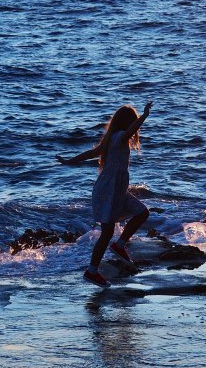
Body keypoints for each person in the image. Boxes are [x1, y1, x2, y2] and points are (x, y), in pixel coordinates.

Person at [57, 102, 152, 287]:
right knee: (107, 232)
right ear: (127, 123)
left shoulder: (112, 139)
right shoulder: (119, 138)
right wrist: (144, 116)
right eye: (132, 121)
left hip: (116, 190)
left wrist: (69, 161)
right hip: (108, 190)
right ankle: (92, 271)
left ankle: (119, 245)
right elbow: (128, 132)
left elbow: (90, 153)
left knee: (142, 212)